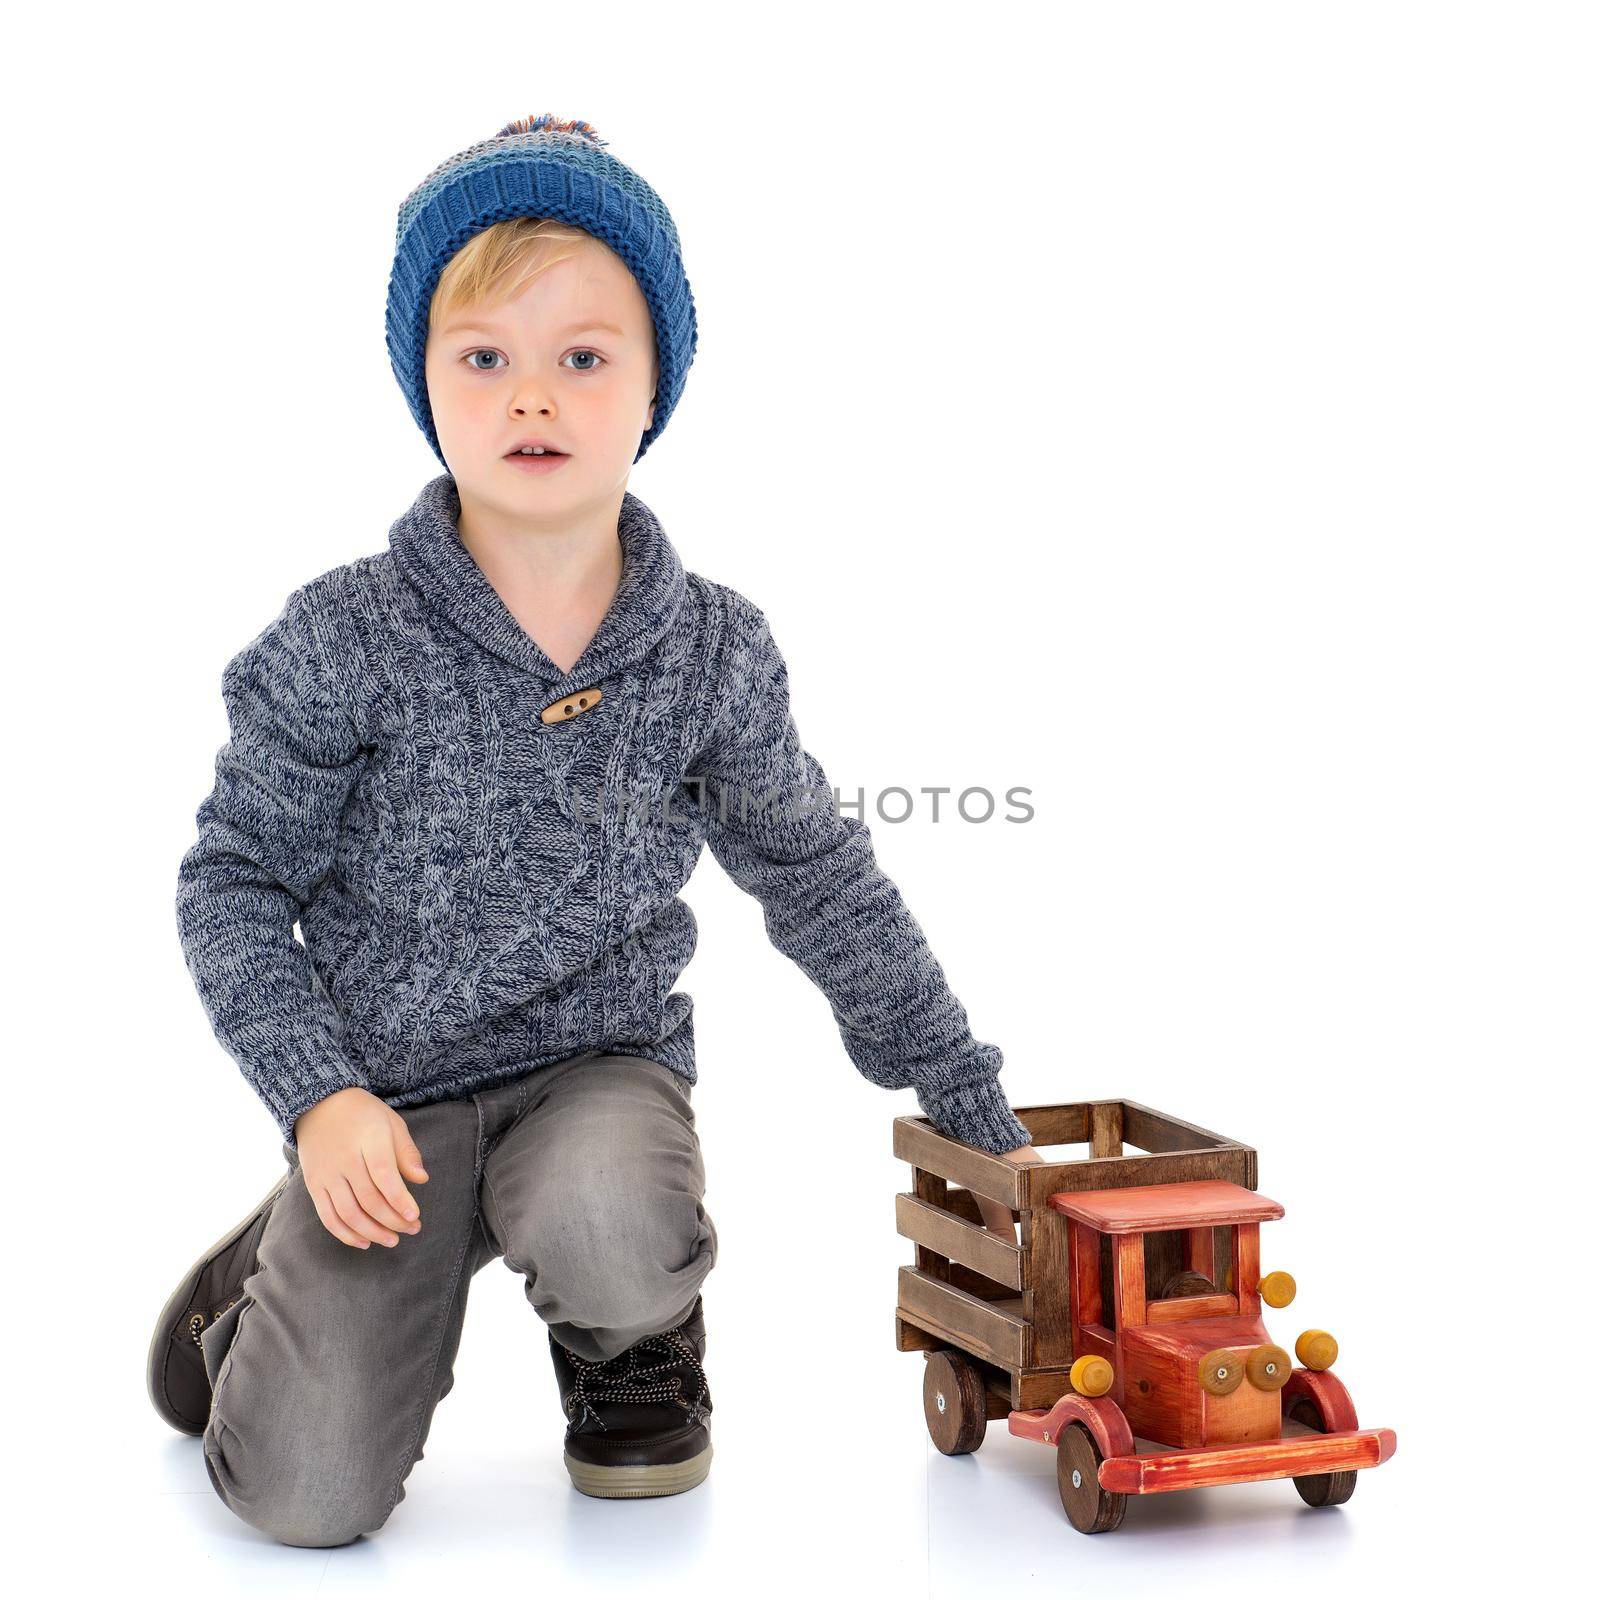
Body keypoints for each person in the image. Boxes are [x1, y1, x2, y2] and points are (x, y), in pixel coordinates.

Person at [147, 112, 1040, 1549]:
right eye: (484, 355)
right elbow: (233, 885)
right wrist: (321, 1098)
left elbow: (818, 878)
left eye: (584, 355)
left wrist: (957, 1085)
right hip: (389, 1104)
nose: (533, 398)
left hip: (594, 1083)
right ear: (425, 384)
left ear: (652, 388)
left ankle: (627, 1341)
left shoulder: (708, 652)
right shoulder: (342, 639)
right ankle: (256, 1292)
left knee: (615, 1218)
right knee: (304, 1506)